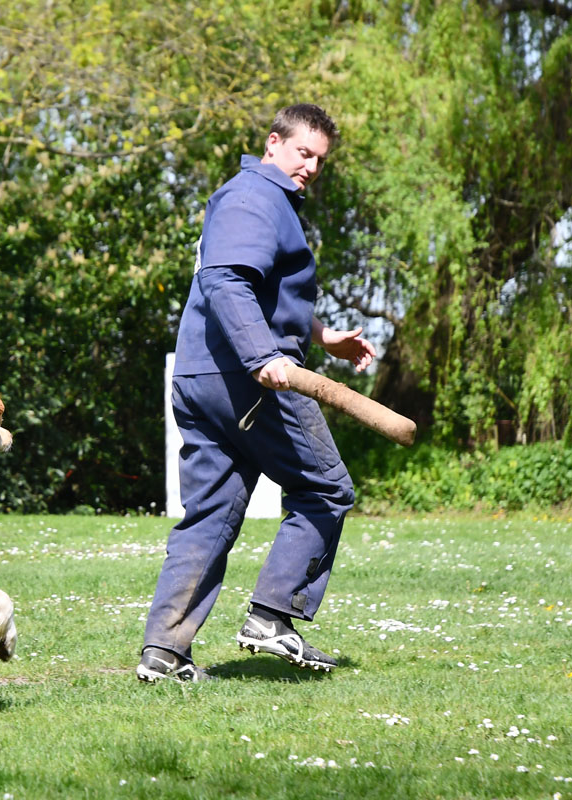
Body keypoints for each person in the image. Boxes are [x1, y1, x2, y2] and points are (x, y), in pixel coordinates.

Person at [137, 103, 375, 682]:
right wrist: (263, 356)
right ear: (273, 143)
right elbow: (226, 281)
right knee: (326, 489)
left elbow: (259, 292)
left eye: (320, 159)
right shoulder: (255, 196)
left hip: (204, 376)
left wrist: (322, 335)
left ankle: (165, 653)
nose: (312, 167)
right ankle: (272, 617)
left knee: (211, 514)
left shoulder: (255, 200)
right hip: (247, 381)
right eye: (303, 153)